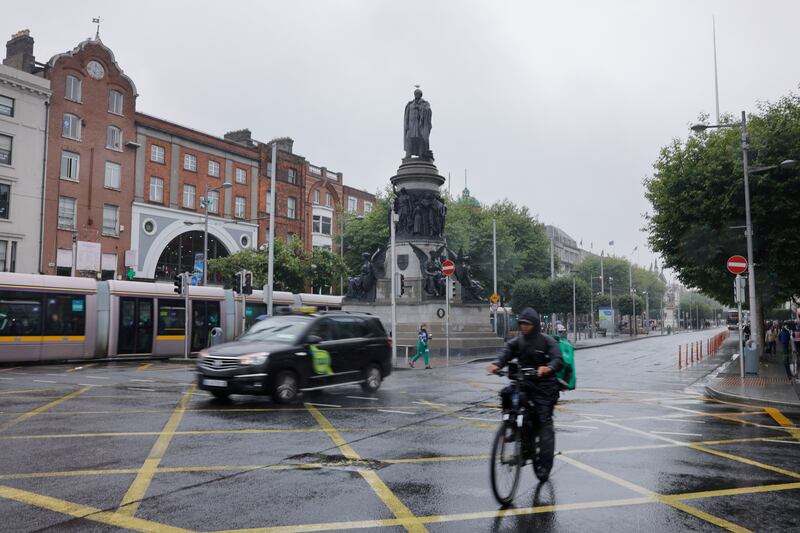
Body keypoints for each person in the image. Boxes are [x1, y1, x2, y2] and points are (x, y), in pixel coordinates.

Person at [486, 307, 563, 481]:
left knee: (544, 423)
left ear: (534, 325)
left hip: (545, 386)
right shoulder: (518, 341)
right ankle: (512, 426)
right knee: (507, 394)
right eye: (521, 324)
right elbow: (506, 352)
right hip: (525, 383)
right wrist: (497, 364)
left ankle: (545, 464)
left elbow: (557, 359)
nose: (524, 327)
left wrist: (548, 367)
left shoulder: (547, 341)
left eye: (527, 324)